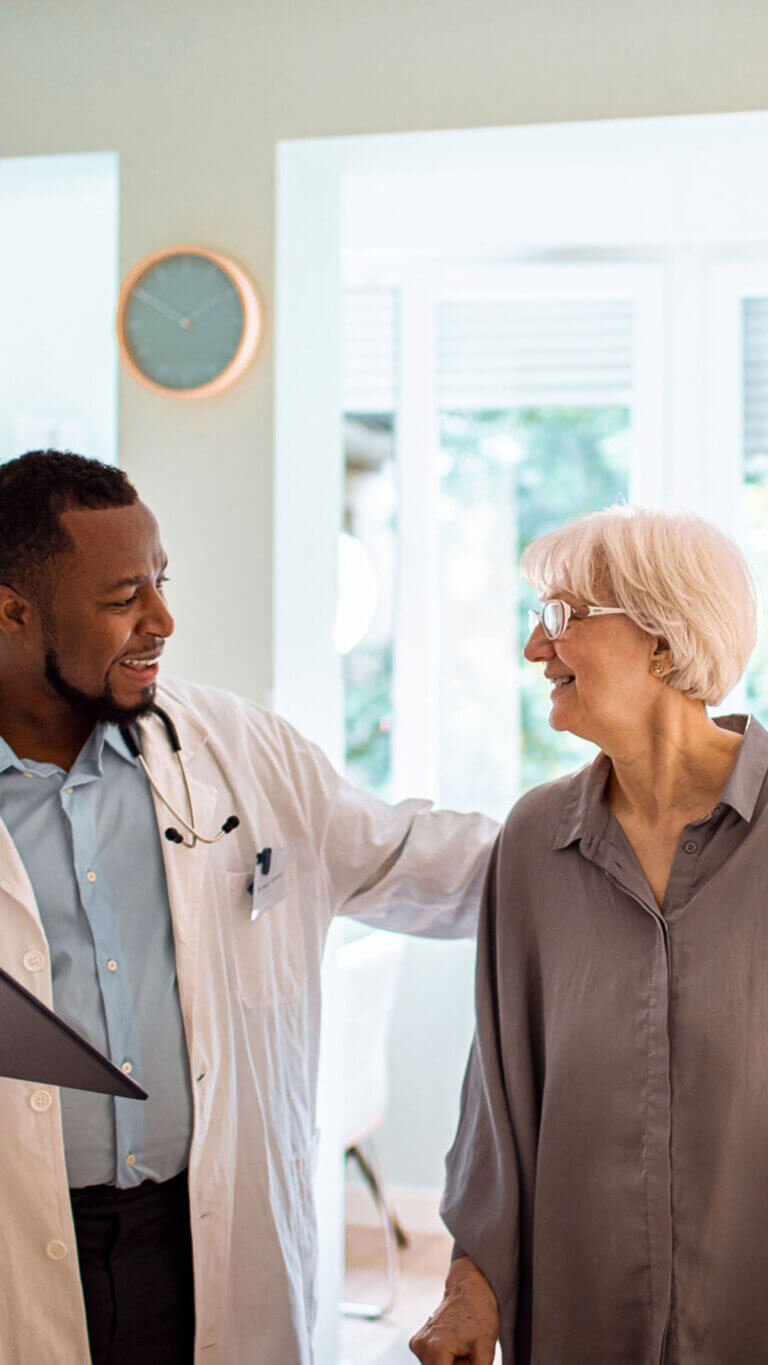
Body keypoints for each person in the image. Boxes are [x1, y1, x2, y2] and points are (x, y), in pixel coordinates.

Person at [0, 450, 498, 1365]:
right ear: (13, 608)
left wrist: (617, 844)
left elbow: (416, 857)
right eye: (123, 598)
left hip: (199, 1239)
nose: (162, 619)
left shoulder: (233, 749)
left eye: (161, 581)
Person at [410, 503, 768, 1365]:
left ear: (663, 641)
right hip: (580, 1315)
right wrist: (469, 1288)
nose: (536, 648)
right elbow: (501, 1096)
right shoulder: (534, 841)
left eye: (563, 616)